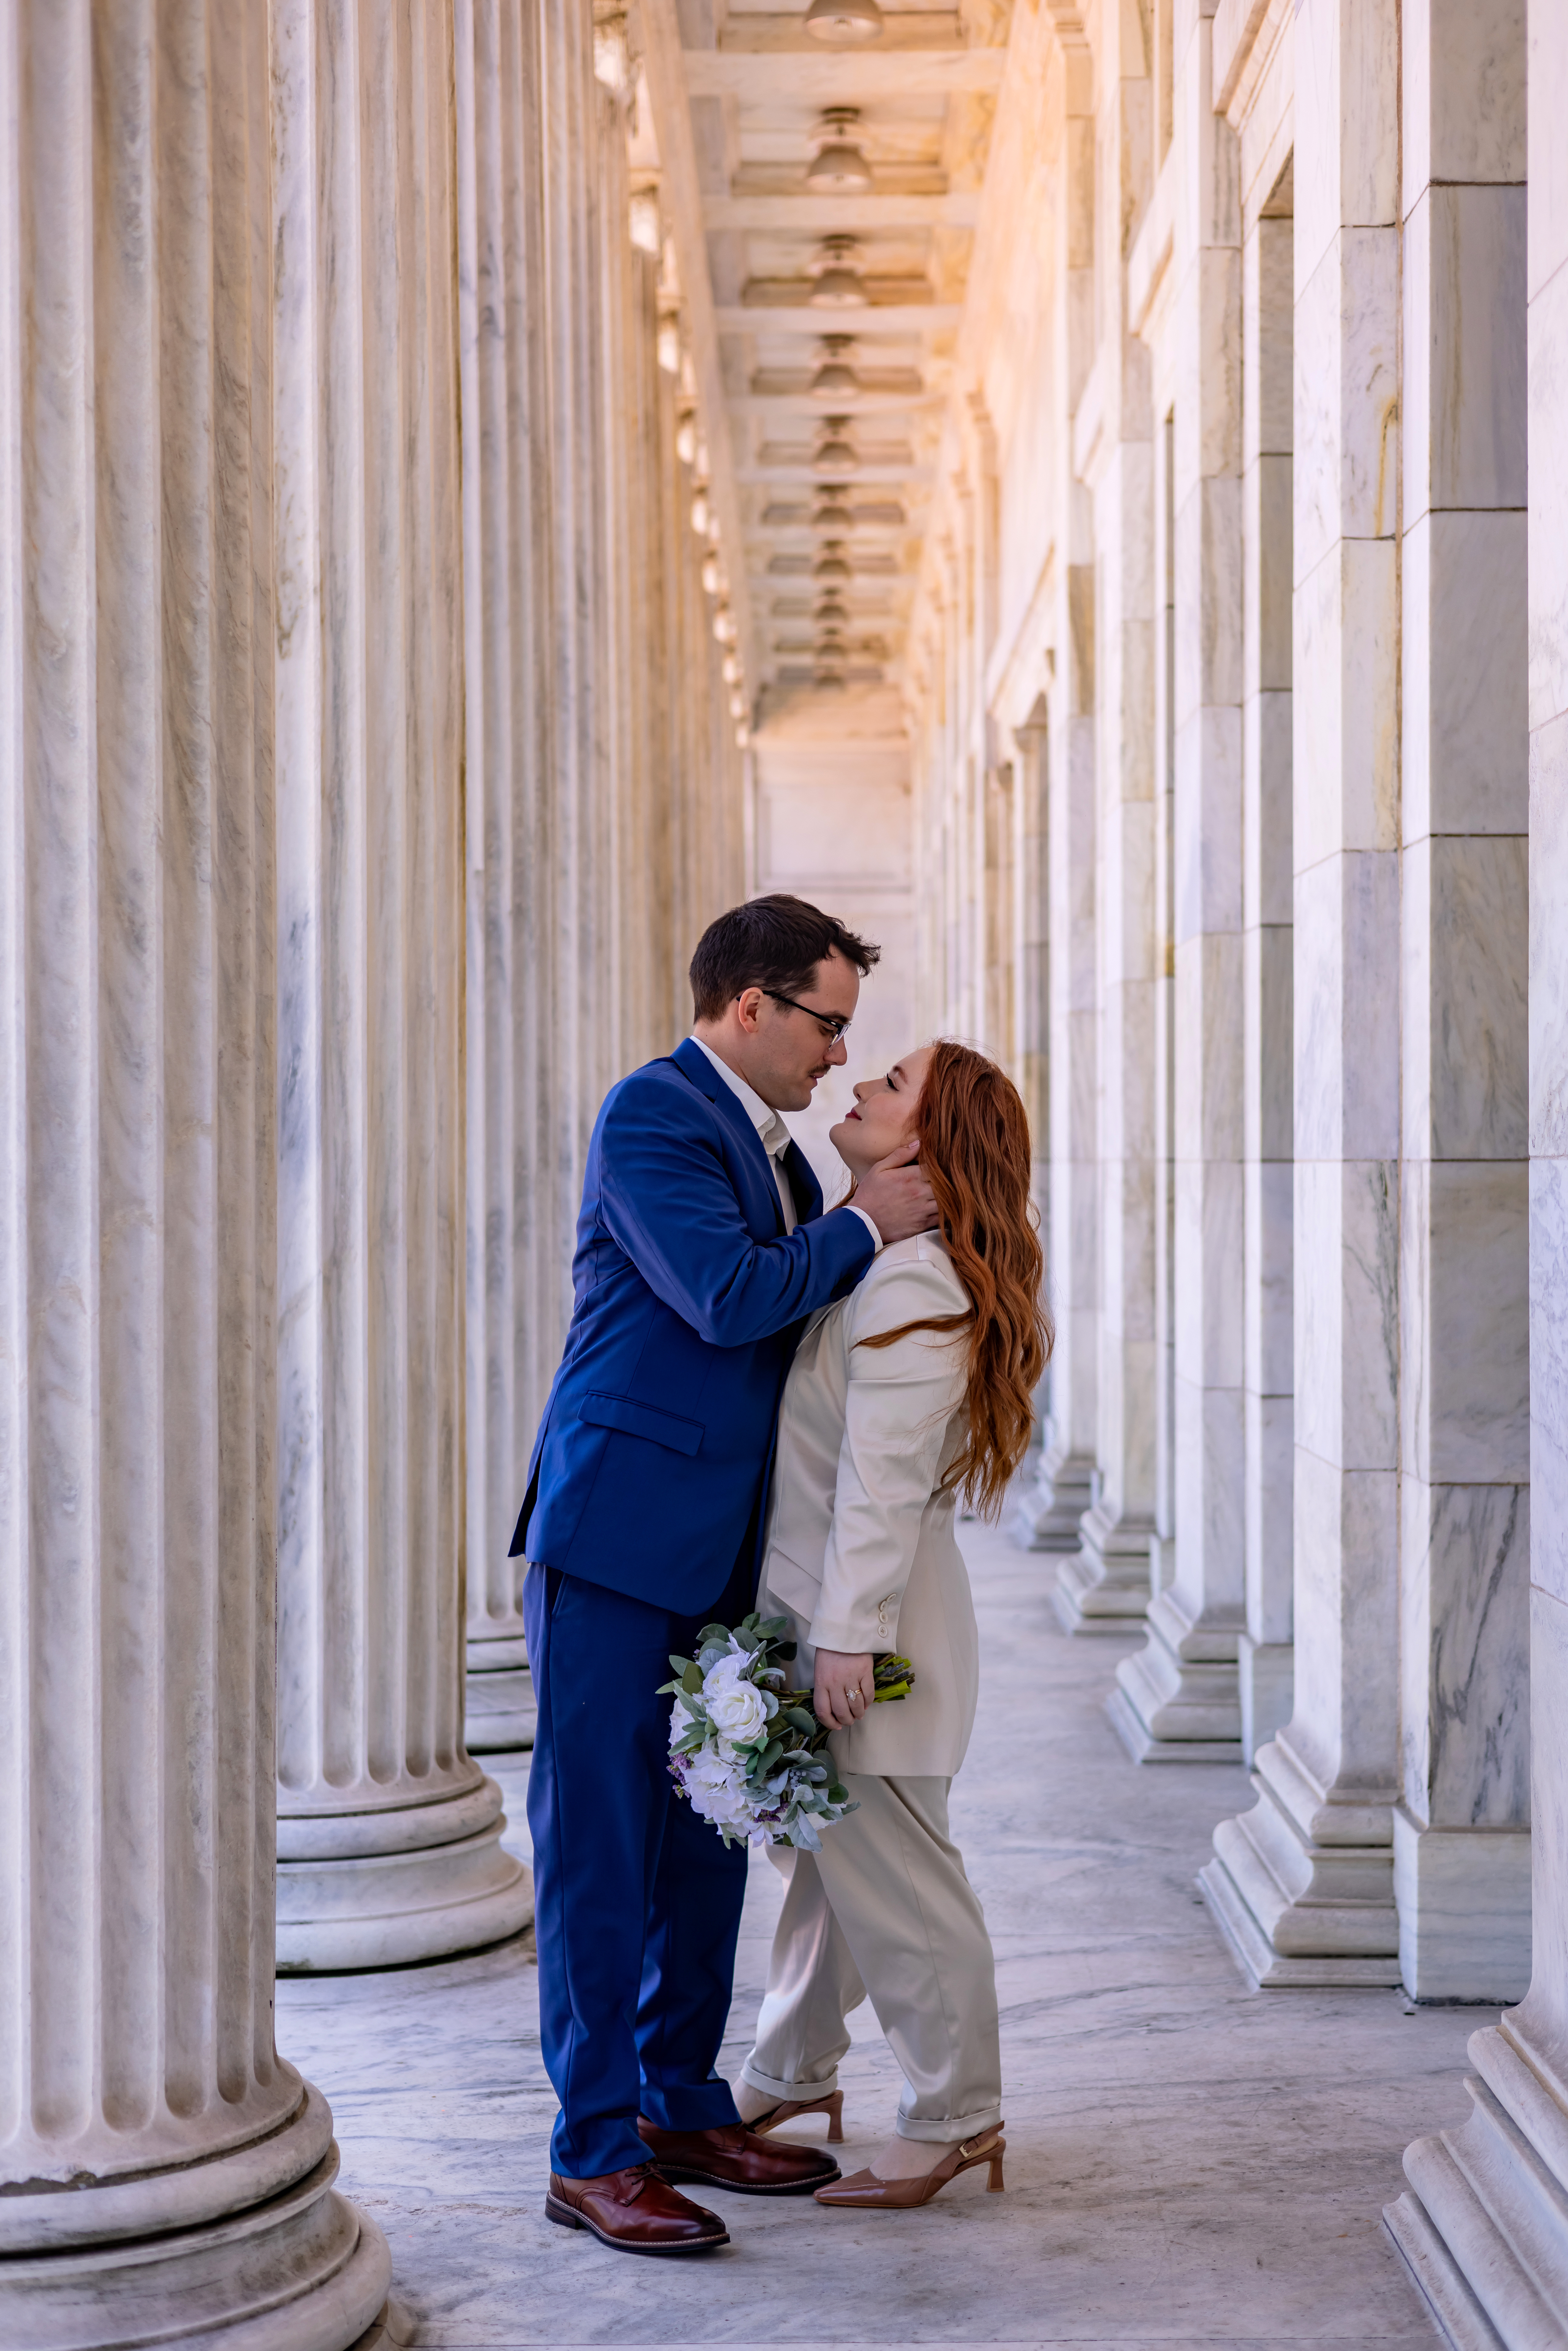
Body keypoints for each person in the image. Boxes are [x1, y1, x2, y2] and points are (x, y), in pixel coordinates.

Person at [514, 895, 940, 2257]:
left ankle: (682, 2105)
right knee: (598, 1854)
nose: (835, 1057)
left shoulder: (789, 1165)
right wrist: (872, 1225)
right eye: (828, 1026)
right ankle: (591, 2153)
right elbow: (723, 1293)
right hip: (617, 1539)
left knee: (705, 1843)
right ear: (749, 1007)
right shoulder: (651, 1115)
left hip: (726, 1557)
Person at [734, 1039, 1050, 2209]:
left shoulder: (916, 1285)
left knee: (903, 1888)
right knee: (837, 1872)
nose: (860, 1085)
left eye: (893, 1085)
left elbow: (881, 1481)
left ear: (923, 1143)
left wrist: (845, 1638)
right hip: (864, 1624)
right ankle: (789, 2067)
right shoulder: (901, 1271)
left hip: (879, 1641)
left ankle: (959, 2115)